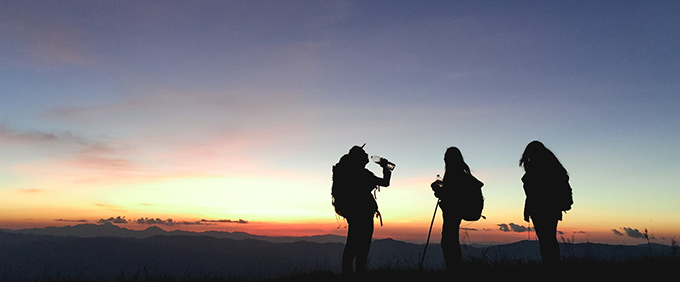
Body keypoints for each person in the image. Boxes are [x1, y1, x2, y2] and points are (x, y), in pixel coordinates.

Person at [331, 145, 392, 276]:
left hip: (354, 213)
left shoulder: (351, 172)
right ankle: (359, 274)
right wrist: (385, 168)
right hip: (363, 214)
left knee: (352, 245)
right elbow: (385, 182)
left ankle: (347, 274)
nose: (367, 156)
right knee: (361, 248)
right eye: (364, 154)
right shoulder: (361, 173)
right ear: (358, 158)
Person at [520, 140, 573, 265]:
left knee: (546, 240)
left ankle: (550, 266)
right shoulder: (552, 166)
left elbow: (533, 191)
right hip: (552, 208)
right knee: (549, 239)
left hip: (541, 209)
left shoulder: (537, 168)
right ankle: (552, 265)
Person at [430, 147, 483, 270]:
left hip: (453, 212)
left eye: (445, 157)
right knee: (450, 239)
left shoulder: (453, 174)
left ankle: (454, 270)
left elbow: (450, 195)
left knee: (448, 241)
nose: (444, 159)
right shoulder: (462, 174)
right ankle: (455, 269)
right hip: (457, 211)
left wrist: (437, 190)